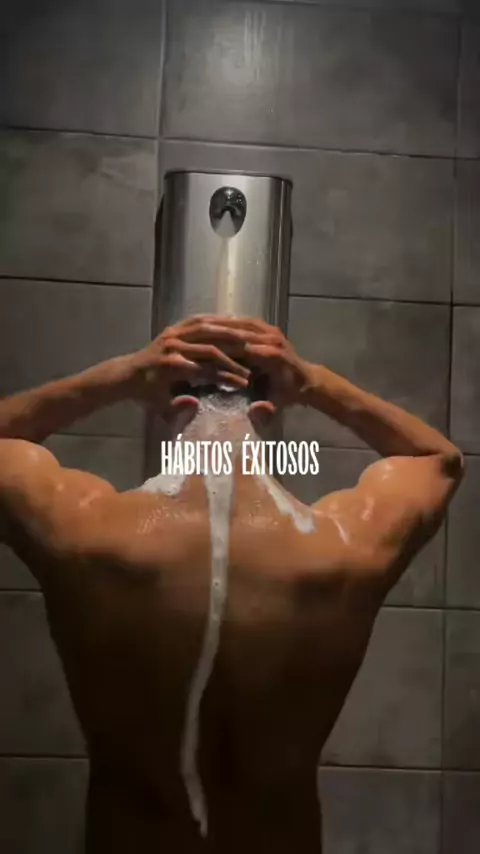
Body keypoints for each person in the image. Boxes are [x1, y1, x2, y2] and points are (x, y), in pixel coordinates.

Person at [0, 314, 463, 853]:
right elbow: (439, 461)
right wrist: (313, 383)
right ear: (267, 411)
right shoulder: (344, 547)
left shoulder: (85, 532)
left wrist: (119, 377)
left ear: (171, 408)